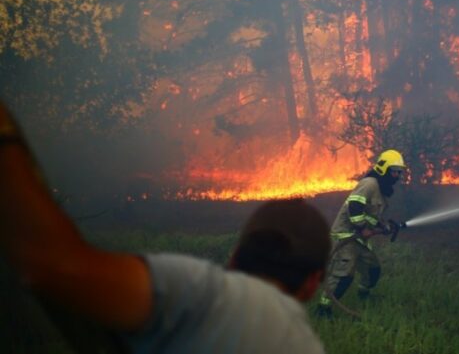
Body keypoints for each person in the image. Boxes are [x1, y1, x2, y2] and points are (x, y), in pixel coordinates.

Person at [0, 102, 330, 354]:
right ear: (313, 283)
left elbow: (52, 265)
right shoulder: (303, 344)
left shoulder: (211, 295)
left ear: (234, 257)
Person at [316, 149, 406, 317]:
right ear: (383, 168)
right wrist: (362, 228)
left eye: (399, 172)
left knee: (373, 270)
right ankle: (323, 308)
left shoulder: (381, 189)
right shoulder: (370, 183)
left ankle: (364, 295)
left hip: (359, 240)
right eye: (394, 171)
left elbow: (371, 214)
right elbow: (354, 207)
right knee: (344, 276)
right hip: (346, 237)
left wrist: (383, 225)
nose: (396, 175)